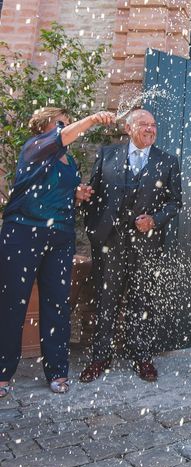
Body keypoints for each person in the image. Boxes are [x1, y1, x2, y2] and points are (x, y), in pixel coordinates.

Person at [0, 107, 114, 397]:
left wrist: (78, 194)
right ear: (44, 126)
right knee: (13, 303)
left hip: (60, 235)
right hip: (23, 232)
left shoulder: (69, 161)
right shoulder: (35, 146)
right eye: (60, 122)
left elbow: (63, 189)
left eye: (66, 122)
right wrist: (92, 119)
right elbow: (64, 137)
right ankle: (2, 373)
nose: (65, 127)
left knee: (57, 305)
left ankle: (57, 371)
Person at [80, 109, 182, 383]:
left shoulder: (168, 161)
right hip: (109, 243)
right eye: (144, 125)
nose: (150, 129)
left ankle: (141, 356)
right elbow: (93, 193)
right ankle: (100, 357)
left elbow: (175, 202)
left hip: (146, 245)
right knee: (105, 300)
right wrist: (94, 231)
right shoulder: (106, 155)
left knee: (142, 301)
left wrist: (155, 220)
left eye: (153, 125)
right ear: (128, 128)